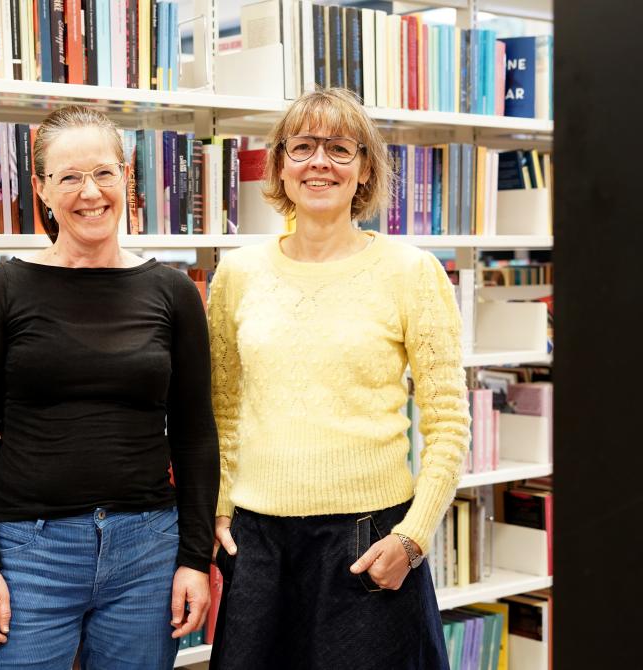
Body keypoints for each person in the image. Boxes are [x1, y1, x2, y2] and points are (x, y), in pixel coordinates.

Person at [207, 88, 471, 670]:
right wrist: (221, 509)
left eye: (339, 149)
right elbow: (222, 408)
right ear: (280, 165)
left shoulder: (412, 271)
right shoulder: (238, 273)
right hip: (258, 544)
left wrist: (413, 538)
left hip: (369, 541)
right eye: (302, 147)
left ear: (365, 168)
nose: (319, 163)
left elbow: (449, 423)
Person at [0, 105, 220, 670]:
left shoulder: (173, 293)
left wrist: (194, 558)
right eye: (69, 177)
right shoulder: (1, 291)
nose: (90, 192)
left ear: (127, 177)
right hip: (29, 555)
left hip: (147, 554)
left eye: (103, 173)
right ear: (41, 189)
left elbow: (195, 435)